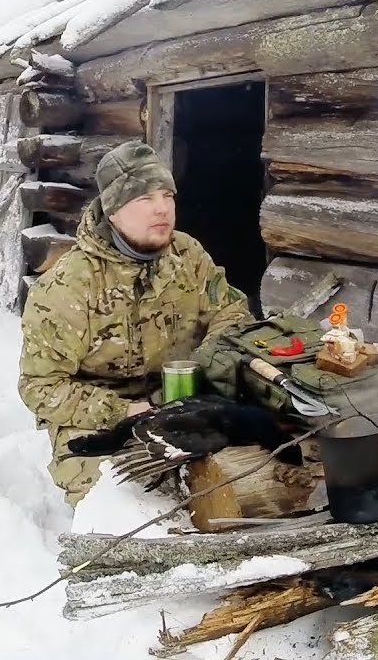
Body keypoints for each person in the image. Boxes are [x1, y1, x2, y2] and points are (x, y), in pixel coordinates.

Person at [17, 140, 255, 506]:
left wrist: (210, 366)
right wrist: (125, 411)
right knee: (126, 498)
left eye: (167, 195)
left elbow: (231, 313)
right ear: (112, 211)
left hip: (182, 398)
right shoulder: (69, 287)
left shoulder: (187, 255)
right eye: (143, 199)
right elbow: (39, 386)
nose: (161, 209)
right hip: (100, 416)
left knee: (248, 469)